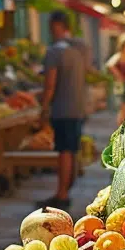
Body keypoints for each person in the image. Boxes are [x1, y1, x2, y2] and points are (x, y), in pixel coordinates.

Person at [39, 11, 89, 208]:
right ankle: (66, 189)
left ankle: (62, 194)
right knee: (72, 149)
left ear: (57, 26)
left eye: (51, 28)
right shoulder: (81, 47)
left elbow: (50, 84)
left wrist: (43, 108)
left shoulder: (54, 52)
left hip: (62, 107)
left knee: (64, 151)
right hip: (79, 105)